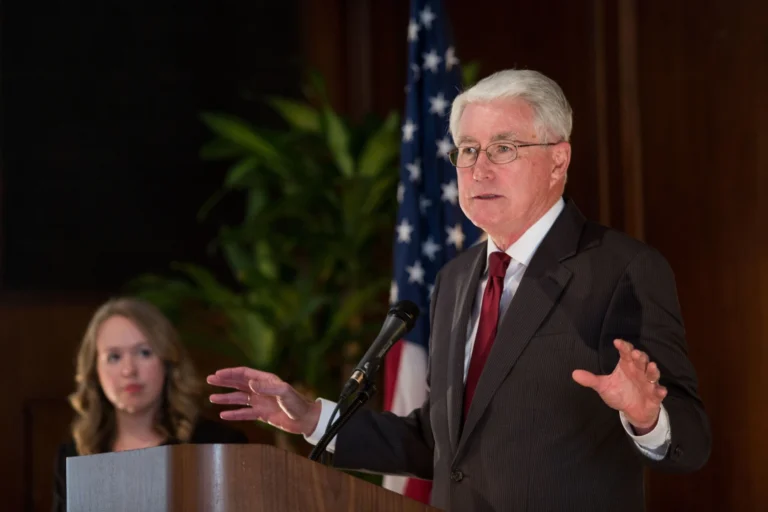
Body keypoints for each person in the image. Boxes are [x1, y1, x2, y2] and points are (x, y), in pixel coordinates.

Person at [206, 69, 711, 512]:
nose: (479, 169)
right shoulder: (455, 278)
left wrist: (647, 416)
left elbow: (692, 439)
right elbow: (442, 445)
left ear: (558, 161)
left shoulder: (622, 269)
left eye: (504, 149)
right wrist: (313, 417)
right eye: (468, 150)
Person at [52, 297, 247, 512]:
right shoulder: (74, 455)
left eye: (144, 352)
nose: (129, 370)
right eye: (114, 357)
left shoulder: (219, 446)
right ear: (94, 370)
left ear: (167, 361)